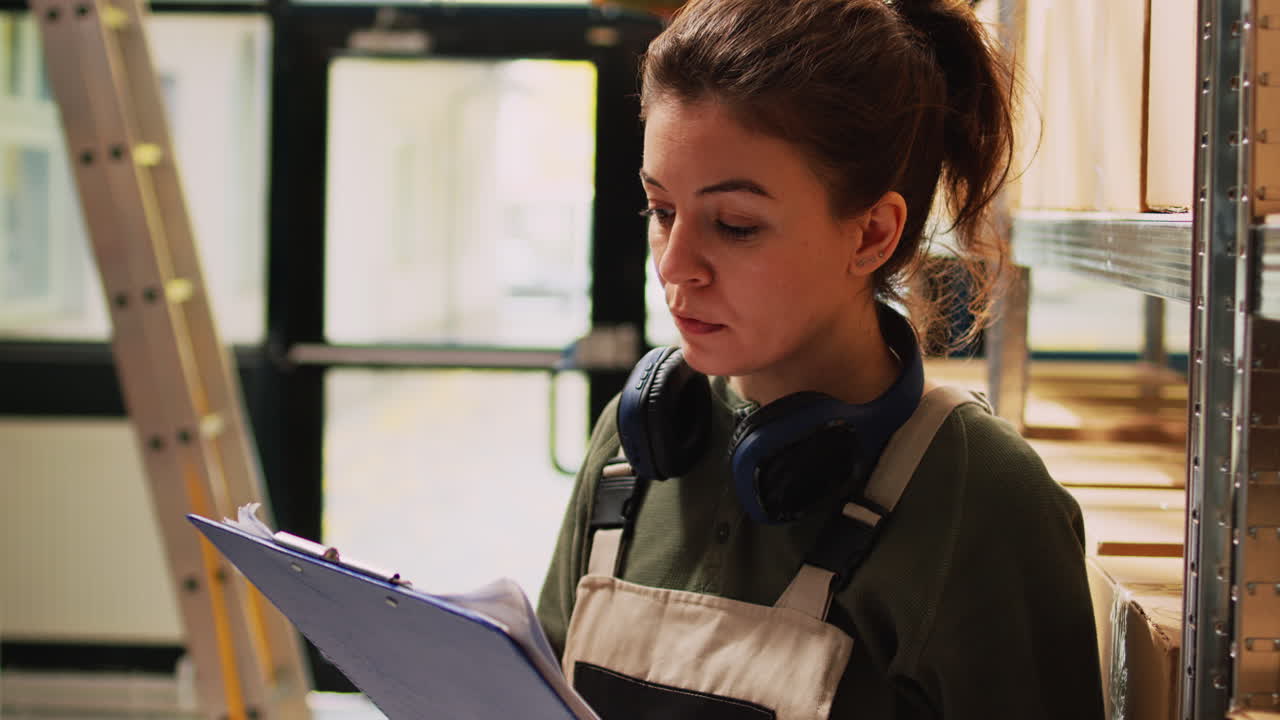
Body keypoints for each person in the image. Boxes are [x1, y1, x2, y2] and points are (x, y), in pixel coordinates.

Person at [537, 0, 1106, 718]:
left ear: (871, 233)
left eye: (735, 225)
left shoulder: (979, 496)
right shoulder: (629, 450)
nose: (676, 267)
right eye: (661, 211)